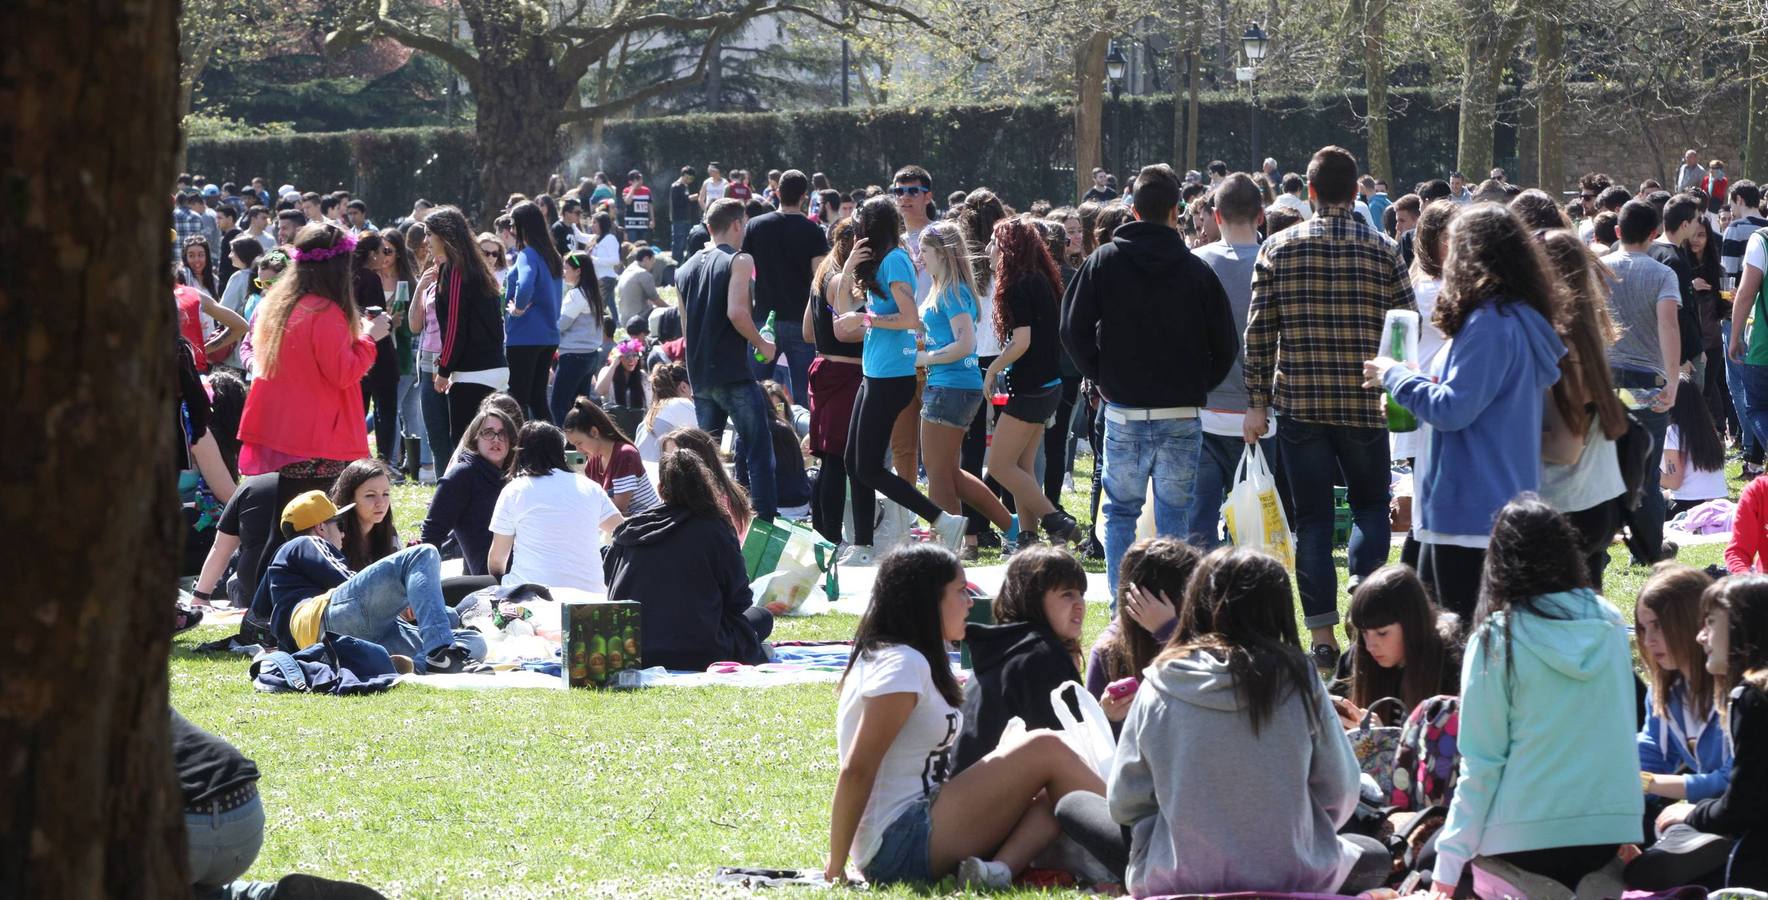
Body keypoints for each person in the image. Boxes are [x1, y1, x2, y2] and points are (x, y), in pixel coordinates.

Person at [1053, 546, 1392, 896]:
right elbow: (1342, 788)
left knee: (1073, 805)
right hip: (1290, 873)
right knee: (1374, 855)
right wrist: (1296, 832)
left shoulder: (1161, 679)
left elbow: (1125, 800)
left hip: (1177, 877)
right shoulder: (1301, 678)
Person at [824, 543, 1106, 888]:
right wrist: (835, 867)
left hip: (915, 826)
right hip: (899, 841)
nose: (970, 603)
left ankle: (998, 872)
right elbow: (857, 769)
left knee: (1060, 796)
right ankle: (1149, 838)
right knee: (1047, 747)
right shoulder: (901, 664)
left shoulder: (901, 659)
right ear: (929, 600)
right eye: (960, 592)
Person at [1244, 147, 1415, 662]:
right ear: (1356, 191)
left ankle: (1320, 637)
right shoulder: (1383, 249)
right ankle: (1364, 597)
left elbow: (1258, 334)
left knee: (1314, 520)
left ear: (1311, 192)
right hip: (1365, 401)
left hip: (1301, 401)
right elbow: (1406, 325)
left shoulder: (1278, 248)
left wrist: (1256, 402)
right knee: (1368, 507)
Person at [1427, 496, 1642, 897]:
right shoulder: (1611, 623)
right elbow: (1619, 732)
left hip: (1520, 841)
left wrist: (1446, 865)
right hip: (1606, 836)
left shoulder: (1497, 638)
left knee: (1428, 856)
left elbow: (1482, 764)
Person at [1370, 203, 1567, 620]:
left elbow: (1453, 409)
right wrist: (1414, 385)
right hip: (1483, 508)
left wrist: (1394, 376)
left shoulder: (1490, 323)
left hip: (1470, 515)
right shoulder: (1512, 317)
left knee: (1459, 650)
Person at [842, 195, 966, 550]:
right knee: (854, 463)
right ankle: (863, 547)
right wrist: (850, 265)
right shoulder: (875, 262)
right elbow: (840, 309)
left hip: (892, 377)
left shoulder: (895, 260)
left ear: (873, 225)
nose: (856, 229)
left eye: (861, 222)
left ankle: (942, 520)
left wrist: (867, 319)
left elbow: (910, 319)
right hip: (874, 373)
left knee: (868, 467)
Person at [256, 491, 480, 673]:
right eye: (340, 525)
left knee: (473, 640)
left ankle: (411, 664)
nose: (343, 534)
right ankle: (439, 653)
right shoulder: (307, 541)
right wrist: (399, 602)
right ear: (321, 527)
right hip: (327, 624)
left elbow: (257, 614)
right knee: (423, 553)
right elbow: (343, 578)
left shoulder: (281, 564)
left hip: (341, 641)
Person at [237, 223, 387, 493]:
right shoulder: (323, 311)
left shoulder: (277, 305)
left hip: (283, 433)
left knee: (290, 519)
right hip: (318, 438)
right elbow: (344, 372)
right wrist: (370, 337)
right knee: (315, 523)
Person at [1644, 575, 1768, 889]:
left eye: (1711, 623)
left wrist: (1692, 813)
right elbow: (1649, 751)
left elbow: (1742, 804)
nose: (1701, 637)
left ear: (1742, 627)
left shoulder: (1751, 698)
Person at [604, 448, 773, 670]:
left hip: (633, 649)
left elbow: (611, 583)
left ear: (661, 490)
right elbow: (740, 599)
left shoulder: (632, 530)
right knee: (762, 617)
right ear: (706, 486)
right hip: (702, 649)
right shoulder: (715, 528)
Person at [1185, 173, 1284, 549]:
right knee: (1253, 532)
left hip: (1203, 411)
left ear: (1216, 215)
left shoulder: (1195, 263)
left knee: (1199, 525)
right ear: (1262, 215)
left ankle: (1197, 602)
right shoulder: (1277, 262)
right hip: (1261, 415)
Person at [1534, 230, 1633, 588]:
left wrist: (1498, 435)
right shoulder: (1587, 329)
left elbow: (1566, 447)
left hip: (1570, 506)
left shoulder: (1565, 343)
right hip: (1594, 498)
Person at [676, 197, 781, 521]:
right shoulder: (740, 259)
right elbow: (737, 312)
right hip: (733, 372)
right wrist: (763, 343)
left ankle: (702, 519)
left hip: (700, 374)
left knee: (705, 457)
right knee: (758, 451)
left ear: (708, 227)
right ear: (738, 224)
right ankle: (763, 525)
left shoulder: (684, 269)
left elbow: (685, 327)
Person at [981, 215, 1081, 545]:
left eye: (995, 242)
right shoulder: (1039, 279)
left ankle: (1057, 521)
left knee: (998, 466)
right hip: (1048, 387)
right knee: (1022, 468)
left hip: (1032, 390)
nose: (989, 249)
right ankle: (1028, 536)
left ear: (1009, 248)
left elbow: (1021, 341)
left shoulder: (1018, 285)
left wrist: (993, 368)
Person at [915, 219, 1014, 550]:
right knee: (950, 472)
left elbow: (965, 343)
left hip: (950, 386)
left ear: (942, 253)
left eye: (925, 251)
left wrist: (925, 359)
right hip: (952, 385)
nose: (920, 257)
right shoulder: (943, 287)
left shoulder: (953, 291)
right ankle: (1010, 527)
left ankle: (945, 545)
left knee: (938, 471)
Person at [952, 545, 1089, 772]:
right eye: (1067, 594)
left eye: (1081, 594)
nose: (1080, 605)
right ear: (1033, 598)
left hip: (963, 792)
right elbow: (1076, 750)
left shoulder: (1006, 645)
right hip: (987, 797)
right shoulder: (1040, 655)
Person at [1605, 200, 1684, 565]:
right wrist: (1672, 380)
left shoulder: (1598, 270)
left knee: (1602, 470)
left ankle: (1598, 549)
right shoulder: (1662, 273)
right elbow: (1669, 324)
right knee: (1648, 476)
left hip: (1603, 384)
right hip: (1647, 385)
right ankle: (1648, 552)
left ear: (1618, 231)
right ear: (1654, 234)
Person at [1634, 565, 1732, 811]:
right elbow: (1653, 751)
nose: (1648, 641)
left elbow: (1733, 779)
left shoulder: (1741, 692)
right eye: (1644, 629)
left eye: (1658, 625)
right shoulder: (1667, 690)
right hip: (1711, 819)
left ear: (1692, 622)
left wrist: (1646, 782)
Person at [487, 421, 625, 591]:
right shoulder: (590, 487)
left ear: (521, 452)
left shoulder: (515, 490)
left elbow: (497, 561)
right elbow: (622, 529)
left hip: (532, 601)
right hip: (591, 597)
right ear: (561, 452)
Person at [803, 219, 873, 551]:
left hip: (822, 369)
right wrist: (879, 325)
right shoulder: (841, 281)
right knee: (836, 459)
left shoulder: (821, 277)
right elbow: (845, 328)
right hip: (844, 375)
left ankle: (822, 531)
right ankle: (830, 535)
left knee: (827, 459)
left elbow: (807, 332)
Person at [1330, 564, 1461, 728]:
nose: (1370, 646)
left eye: (1382, 633)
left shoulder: (1449, 664)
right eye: (1364, 632)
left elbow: (1450, 746)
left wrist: (1382, 739)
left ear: (1412, 624)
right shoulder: (1358, 657)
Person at [1083, 537, 1198, 719]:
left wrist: (1169, 631)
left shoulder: (1200, 633)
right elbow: (1090, 735)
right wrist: (1105, 715)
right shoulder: (1108, 652)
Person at [423, 207, 510, 447]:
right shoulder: (476, 267)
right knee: (491, 448)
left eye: (429, 234)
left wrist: (444, 369)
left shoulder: (456, 269)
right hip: (494, 369)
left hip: (474, 372)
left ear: (444, 235)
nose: (426, 240)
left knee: (467, 448)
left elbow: (454, 326)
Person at [743, 169, 831, 402]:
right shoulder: (813, 231)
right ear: (804, 197)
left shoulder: (755, 226)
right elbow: (819, 278)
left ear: (777, 192)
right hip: (800, 321)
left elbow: (743, 274)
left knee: (756, 391)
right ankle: (805, 438)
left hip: (763, 319)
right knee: (804, 396)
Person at [418, 405, 514, 579]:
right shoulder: (462, 475)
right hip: (488, 583)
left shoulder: (513, 477)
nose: (496, 439)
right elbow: (431, 534)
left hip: (520, 574)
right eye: (488, 432)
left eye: (503, 433)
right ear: (475, 438)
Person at [502, 200, 564, 424]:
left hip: (525, 336)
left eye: (513, 223)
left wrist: (518, 308)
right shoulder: (552, 255)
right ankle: (553, 447)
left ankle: (517, 450)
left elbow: (526, 283)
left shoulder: (528, 254)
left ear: (522, 226)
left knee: (517, 398)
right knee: (537, 398)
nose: (511, 229)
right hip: (548, 336)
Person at [351, 230, 407, 467]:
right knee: (385, 411)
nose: (384, 257)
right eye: (382, 251)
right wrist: (389, 322)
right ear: (371, 254)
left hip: (355, 350)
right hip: (377, 352)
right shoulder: (370, 278)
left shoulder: (349, 277)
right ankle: (385, 461)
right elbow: (374, 316)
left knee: (358, 410)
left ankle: (354, 456)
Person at [563, 397, 662, 516]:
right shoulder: (592, 463)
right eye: (574, 445)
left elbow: (618, 509)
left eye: (579, 443)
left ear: (594, 432)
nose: (578, 450)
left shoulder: (625, 455)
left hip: (646, 524)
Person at [549, 250, 607, 425]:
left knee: (559, 404)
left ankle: (565, 445)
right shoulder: (593, 294)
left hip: (573, 355)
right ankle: (581, 445)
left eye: (566, 268)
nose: (564, 273)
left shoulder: (576, 294)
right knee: (581, 406)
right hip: (590, 356)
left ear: (578, 271)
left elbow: (561, 325)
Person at [660, 427, 752, 537]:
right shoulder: (679, 497)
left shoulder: (721, 502)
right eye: (667, 459)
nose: (669, 467)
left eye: (677, 459)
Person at [1661, 377, 1727, 515]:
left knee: (1643, 501)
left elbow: (1674, 483)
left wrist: (1647, 472)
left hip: (1689, 508)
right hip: (1718, 504)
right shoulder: (1710, 431)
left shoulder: (1673, 432)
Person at [326, 459, 398, 572]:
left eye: (385, 494)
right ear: (349, 498)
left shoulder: (389, 532)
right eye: (370, 495)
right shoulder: (334, 535)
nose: (381, 503)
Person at [634, 362, 697, 462]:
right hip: (659, 474)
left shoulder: (652, 412)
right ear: (684, 387)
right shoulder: (683, 403)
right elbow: (702, 445)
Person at [614, 246, 663, 324]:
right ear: (646, 259)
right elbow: (656, 300)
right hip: (637, 320)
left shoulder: (627, 271)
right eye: (652, 263)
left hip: (624, 319)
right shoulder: (644, 274)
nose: (652, 267)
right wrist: (671, 308)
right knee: (666, 314)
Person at [669, 166, 698, 260]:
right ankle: (675, 263)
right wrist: (690, 198)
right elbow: (676, 203)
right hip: (678, 219)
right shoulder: (676, 186)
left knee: (686, 242)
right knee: (678, 242)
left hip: (686, 218)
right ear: (685, 175)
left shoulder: (685, 186)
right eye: (691, 178)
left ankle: (682, 261)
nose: (691, 180)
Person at [622, 169, 653, 244]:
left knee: (644, 245)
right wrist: (633, 188)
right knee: (633, 245)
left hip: (644, 224)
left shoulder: (647, 191)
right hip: (631, 224)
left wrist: (652, 219)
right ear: (630, 181)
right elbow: (628, 201)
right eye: (637, 179)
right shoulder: (626, 190)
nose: (640, 181)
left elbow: (650, 205)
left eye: (641, 179)